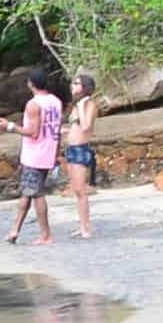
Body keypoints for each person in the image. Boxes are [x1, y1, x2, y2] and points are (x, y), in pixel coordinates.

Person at [0, 71, 70, 245]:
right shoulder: (56, 101)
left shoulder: (33, 105)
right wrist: (56, 153)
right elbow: (56, 129)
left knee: (36, 193)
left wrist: (10, 126)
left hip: (34, 155)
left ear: (30, 84)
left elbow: (33, 132)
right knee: (27, 192)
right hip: (48, 151)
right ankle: (15, 230)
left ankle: (46, 235)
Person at [58, 71, 101, 237]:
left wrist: (81, 107)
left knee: (81, 190)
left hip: (81, 149)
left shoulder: (88, 104)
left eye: (76, 84)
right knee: (76, 190)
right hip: (72, 149)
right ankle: (83, 224)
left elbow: (86, 126)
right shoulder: (78, 104)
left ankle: (86, 227)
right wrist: (66, 130)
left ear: (85, 87)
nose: (72, 86)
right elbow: (77, 127)